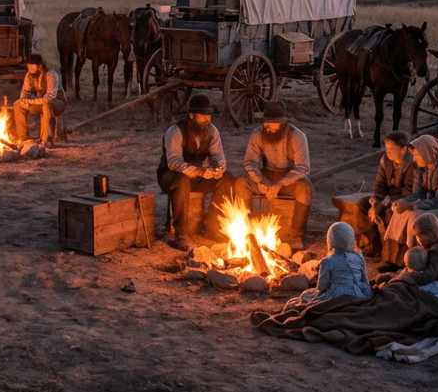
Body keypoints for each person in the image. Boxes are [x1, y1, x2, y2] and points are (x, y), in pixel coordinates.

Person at [227, 101, 313, 249]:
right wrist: (260, 181)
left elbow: (303, 168)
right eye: (267, 123)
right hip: (266, 175)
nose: (269, 127)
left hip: (289, 179)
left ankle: (296, 237)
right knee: (240, 183)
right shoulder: (258, 134)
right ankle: (246, 231)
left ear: (283, 123)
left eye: (274, 124)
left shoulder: (297, 136)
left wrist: (280, 184)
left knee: (305, 189)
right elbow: (250, 162)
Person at [156, 94, 236, 248]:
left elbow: (219, 158)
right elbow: (174, 162)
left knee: (227, 178)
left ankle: (212, 226)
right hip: (170, 176)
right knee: (182, 180)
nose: (207, 119)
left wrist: (218, 169)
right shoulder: (175, 131)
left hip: (198, 177)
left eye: (209, 115)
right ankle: (182, 235)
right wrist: (200, 172)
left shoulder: (212, 131)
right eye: (203, 116)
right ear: (191, 116)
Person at [381, 134, 438, 267]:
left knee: (416, 217)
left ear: (427, 153)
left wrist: (410, 205)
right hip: (428, 200)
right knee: (400, 213)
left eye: (417, 155)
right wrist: (403, 202)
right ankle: (395, 258)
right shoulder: (421, 167)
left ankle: (416, 260)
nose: (414, 159)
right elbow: (419, 192)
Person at [378, 214, 438, 299]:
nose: (418, 239)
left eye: (418, 235)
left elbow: (427, 276)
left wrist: (406, 277)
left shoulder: (437, 250)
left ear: (427, 234)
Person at [290, 222, 372, 308]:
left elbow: (322, 287)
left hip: (336, 295)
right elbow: (365, 281)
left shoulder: (327, 261)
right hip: (358, 293)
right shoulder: (359, 257)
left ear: (331, 239)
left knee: (305, 295)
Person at [358, 130, 415, 249]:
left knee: (389, 213)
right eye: (387, 148)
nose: (388, 152)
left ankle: (389, 250)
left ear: (403, 149)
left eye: (392, 149)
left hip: (402, 200)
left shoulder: (412, 164)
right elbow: (379, 184)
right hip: (386, 198)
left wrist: (384, 203)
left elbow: (408, 192)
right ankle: (375, 245)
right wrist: (376, 201)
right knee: (363, 204)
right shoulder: (386, 160)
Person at [13, 53, 66, 145]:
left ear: (40, 66)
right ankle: (22, 138)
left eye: (32, 65)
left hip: (57, 103)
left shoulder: (51, 75)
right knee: (17, 104)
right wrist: (24, 101)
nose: (29, 68)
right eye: (28, 65)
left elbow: (49, 98)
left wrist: (30, 101)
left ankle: (46, 139)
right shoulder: (29, 75)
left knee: (46, 106)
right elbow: (24, 94)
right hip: (39, 103)